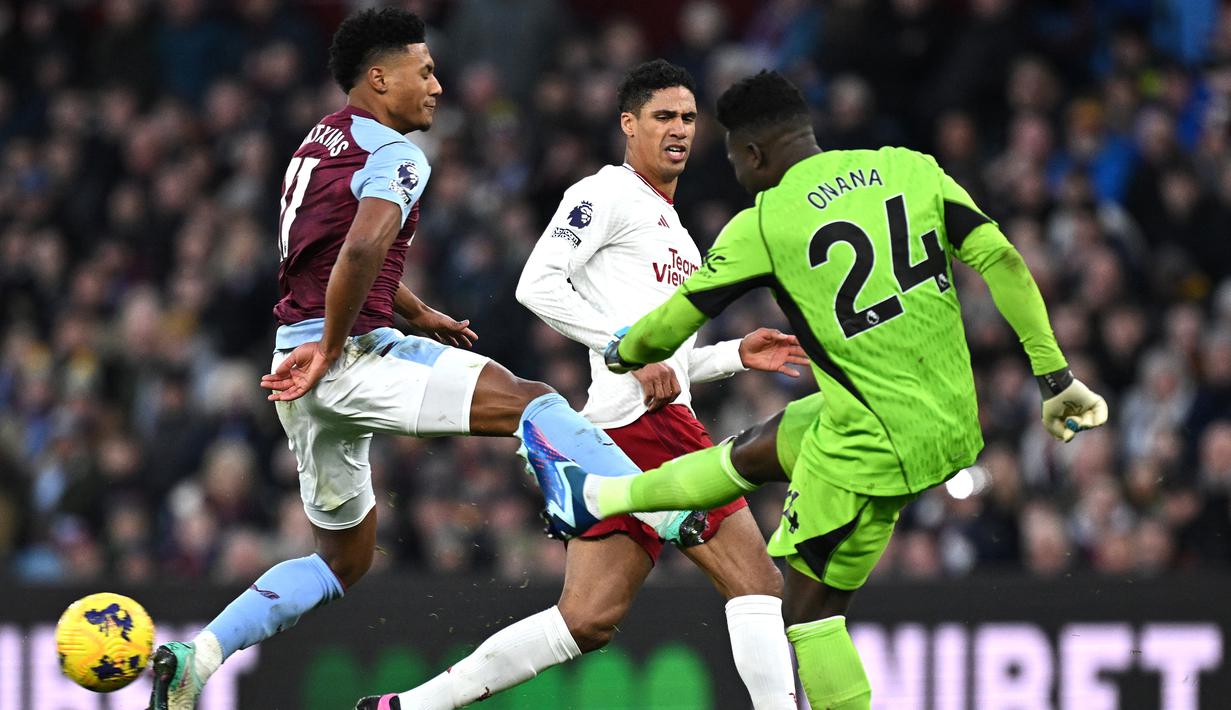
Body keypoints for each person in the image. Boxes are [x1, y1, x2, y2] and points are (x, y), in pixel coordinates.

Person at [145, 10, 728, 709]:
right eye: (423, 72)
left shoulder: (320, 137)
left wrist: (410, 308)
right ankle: (652, 511)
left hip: (295, 369)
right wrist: (335, 346)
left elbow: (336, 249)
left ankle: (196, 657)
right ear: (379, 77)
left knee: (343, 561)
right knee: (533, 401)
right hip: (345, 356)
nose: (437, 86)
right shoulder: (400, 156)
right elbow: (361, 247)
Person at [531, 70, 1110, 710]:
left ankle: (600, 493)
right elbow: (1000, 260)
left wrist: (623, 350)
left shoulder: (767, 221)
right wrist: (1053, 376)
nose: (730, 171)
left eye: (728, 156)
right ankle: (600, 493)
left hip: (873, 440)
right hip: (946, 418)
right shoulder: (911, 168)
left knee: (805, 611)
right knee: (755, 450)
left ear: (752, 154)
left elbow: (672, 322)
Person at [367, 60, 806, 710]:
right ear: (628, 124)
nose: (679, 129)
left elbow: (668, 364)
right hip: (646, 428)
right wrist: (623, 350)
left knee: (586, 619)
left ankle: (408, 707)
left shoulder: (677, 233)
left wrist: (732, 356)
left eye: (688, 117)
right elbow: (536, 284)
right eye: (663, 116)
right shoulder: (605, 194)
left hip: (621, 424)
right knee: (758, 585)